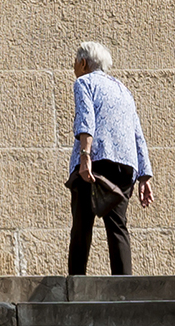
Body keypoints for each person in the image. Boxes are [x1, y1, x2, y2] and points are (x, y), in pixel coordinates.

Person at [65, 40, 152, 276]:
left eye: (75, 60)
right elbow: (137, 133)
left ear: (83, 62)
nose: (74, 65)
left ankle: (76, 282)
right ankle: (125, 287)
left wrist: (85, 157)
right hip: (125, 166)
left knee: (82, 223)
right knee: (118, 226)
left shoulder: (84, 82)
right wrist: (144, 175)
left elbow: (86, 120)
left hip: (97, 161)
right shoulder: (123, 89)